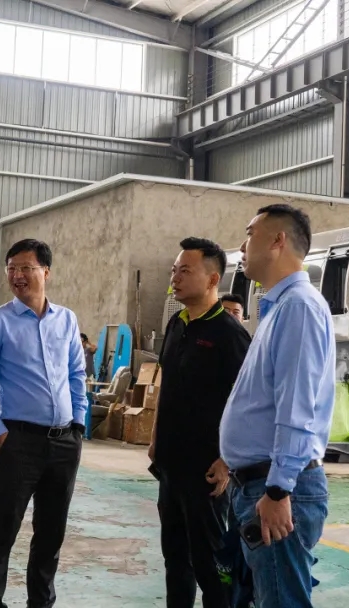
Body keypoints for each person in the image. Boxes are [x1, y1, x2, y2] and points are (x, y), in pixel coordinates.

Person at [218, 204, 335, 608]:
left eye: (250, 233)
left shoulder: (298, 307)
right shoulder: (278, 308)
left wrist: (279, 488)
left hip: (277, 488)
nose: (242, 245)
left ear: (278, 241)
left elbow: (296, 408)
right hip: (258, 485)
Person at [0, 238, 88, 608]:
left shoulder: (66, 320)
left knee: (51, 535)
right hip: (18, 442)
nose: (17, 275)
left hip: (64, 443)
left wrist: (79, 425)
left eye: (26, 268)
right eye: (12, 269)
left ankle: (41, 603)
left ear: (46, 272)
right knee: (2, 533)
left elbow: (76, 374)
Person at [150, 237, 251, 608]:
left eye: (185, 271)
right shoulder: (177, 324)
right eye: (174, 270)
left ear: (212, 279)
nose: (175, 278)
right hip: (170, 466)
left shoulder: (229, 333)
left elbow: (247, 402)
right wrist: (155, 439)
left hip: (207, 471)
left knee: (210, 565)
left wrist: (227, 461)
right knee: (175, 559)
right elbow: (166, 386)